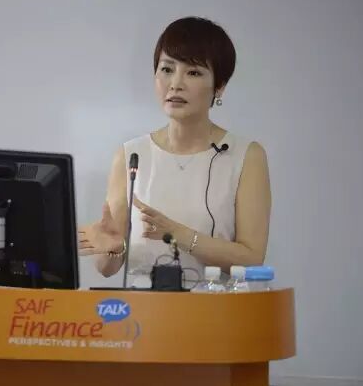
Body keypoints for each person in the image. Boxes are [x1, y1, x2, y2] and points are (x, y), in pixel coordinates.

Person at [78, 16, 271, 288]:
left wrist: (178, 234)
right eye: (167, 69)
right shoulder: (131, 155)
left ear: (219, 86)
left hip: (215, 307)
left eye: (193, 73)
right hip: (142, 310)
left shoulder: (246, 156)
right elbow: (106, 269)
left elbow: (252, 259)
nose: (175, 83)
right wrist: (112, 247)